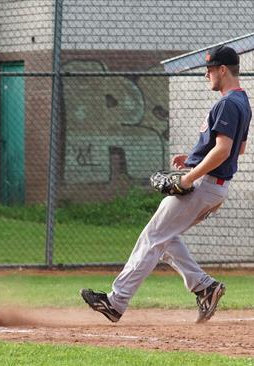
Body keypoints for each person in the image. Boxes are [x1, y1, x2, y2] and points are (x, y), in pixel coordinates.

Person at [81, 45, 250, 324]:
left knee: (152, 237)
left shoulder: (227, 103)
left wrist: (188, 177)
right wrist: (193, 158)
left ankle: (115, 301)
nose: (207, 75)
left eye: (209, 69)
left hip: (203, 185)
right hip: (215, 186)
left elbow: (223, 150)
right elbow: (238, 150)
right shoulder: (242, 102)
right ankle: (205, 287)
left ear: (223, 70)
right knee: (166, 238)